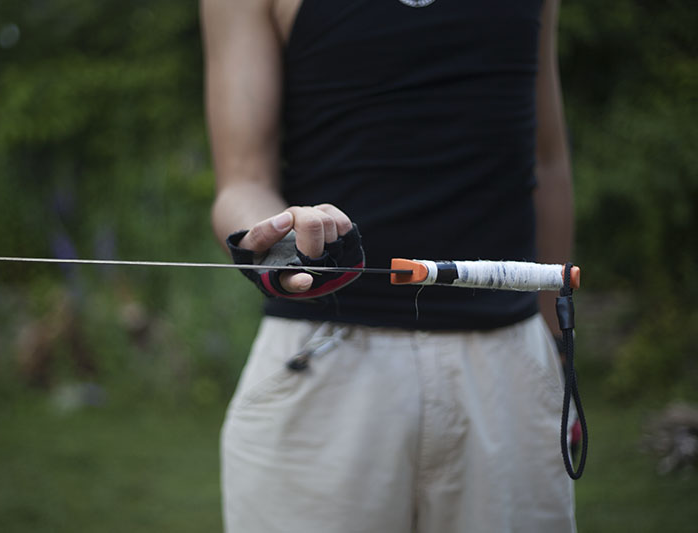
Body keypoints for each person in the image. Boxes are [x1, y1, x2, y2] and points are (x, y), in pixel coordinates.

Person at [201, 0, 575, 531]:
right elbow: (240, 180)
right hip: (323, 370)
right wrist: (276, 242)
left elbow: (547, 161)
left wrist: (554, 355)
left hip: (510, 371)